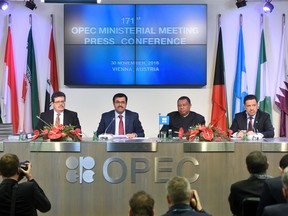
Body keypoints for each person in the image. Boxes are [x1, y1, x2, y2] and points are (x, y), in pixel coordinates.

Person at [228, 151, 272, 216]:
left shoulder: (236, 188)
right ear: (267, 165)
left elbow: (235, 211)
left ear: (248, 168)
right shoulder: (277, 186)